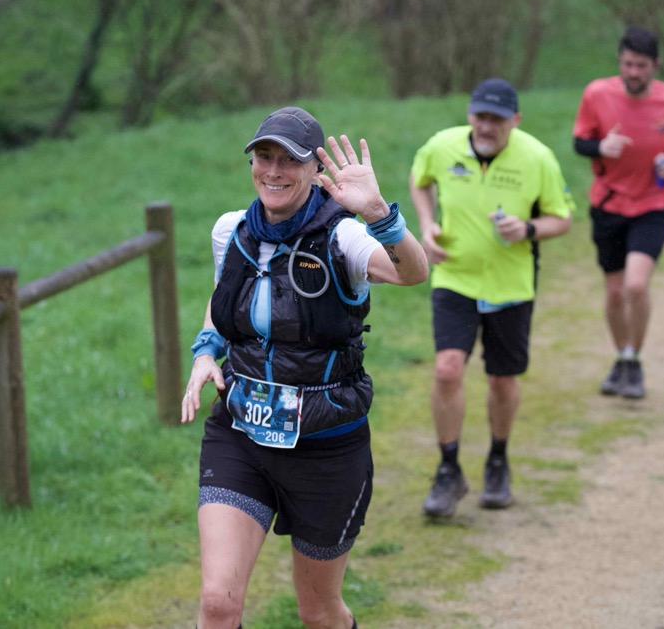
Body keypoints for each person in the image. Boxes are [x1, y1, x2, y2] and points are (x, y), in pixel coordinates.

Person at [180, 106, 428, 629]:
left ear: (316, 170)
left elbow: (412, 272)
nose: (273, 171)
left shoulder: (343, 238)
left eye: (289, 160)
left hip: (325, 445)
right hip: (241, 433)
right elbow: (223, 299)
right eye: (263, 157)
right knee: (218, 604)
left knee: (318, 612)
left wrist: (378, 212)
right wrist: (205, 352)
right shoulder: (231, 230)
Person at [409, 78, 574, 518]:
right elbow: (419, 180)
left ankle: (498, 460)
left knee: (502, 380)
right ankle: (448, 469)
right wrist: (426, 224)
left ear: (515, 120)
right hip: (454, 278)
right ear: (469, 114)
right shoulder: (442, 146)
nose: (486, 126)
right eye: (480, 116)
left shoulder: (538, 158)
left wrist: (529, 229)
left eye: (497, 119)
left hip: (510, 285)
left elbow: (562, 218)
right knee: (447, 370)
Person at [572, 27, 664, 400]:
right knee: (614, 293)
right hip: (608, 204)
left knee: (635, 286)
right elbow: (579, 142)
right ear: (619, 62)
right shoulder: (597, 93)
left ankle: (635, 359)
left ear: (656, 65)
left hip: (654, 204)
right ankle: (622, 356)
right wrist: (600, 147)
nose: (633, 72)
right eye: (627, 64)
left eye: (641, 66)